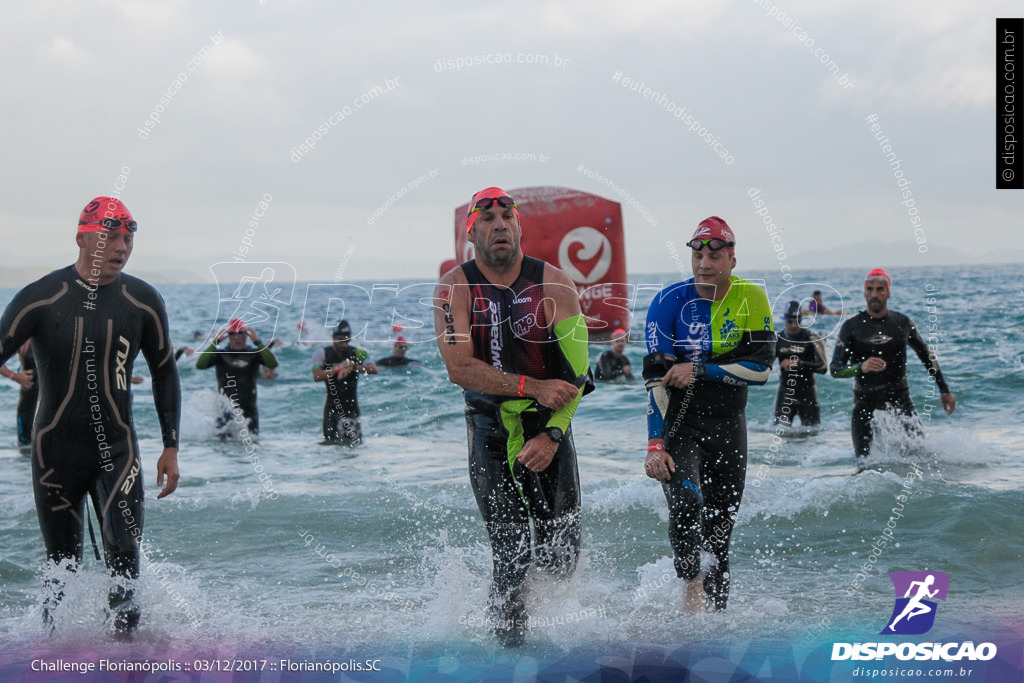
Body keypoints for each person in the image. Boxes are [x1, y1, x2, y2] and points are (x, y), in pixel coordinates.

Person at [0, 196, 180, 638]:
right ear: (82, 237)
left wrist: (170, 446)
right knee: (61, 568)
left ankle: (128, 657)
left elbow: (164, 371)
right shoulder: (41, 297)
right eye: (110, 237)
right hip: (55, 453)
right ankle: (51, 655)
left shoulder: (142, 300)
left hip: (118, 452)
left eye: (128, 238)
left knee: (125, 561)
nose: (121, 247)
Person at [433, 187, 593, 646]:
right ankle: (508, 654)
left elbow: (577, 373)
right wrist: (532, 386)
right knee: (511, 554)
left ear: (519, 226)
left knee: (562, 557)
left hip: (550, 429)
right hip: (488, 432)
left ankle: (545, 632)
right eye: (487, 219)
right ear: (472, 233)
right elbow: (458, 368)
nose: (498, 224)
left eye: (506, 216)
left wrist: (554, 434)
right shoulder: (453, 289)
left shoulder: (556, 284)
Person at [643, 216, 775, 613]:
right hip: (680, 425)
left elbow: (763, 370)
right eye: (697, 254)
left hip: (729, 426)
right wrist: (655, 443)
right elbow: (655, 380)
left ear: (732, 259)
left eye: (714, 255)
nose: (704, 263)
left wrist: (699, 369)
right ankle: (690, 594)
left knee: (720, 532)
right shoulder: (668, 301)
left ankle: (717, 624)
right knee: (685, 504)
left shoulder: (752, 297)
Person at [830, 269, 955, 458]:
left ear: (888, 292)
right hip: (865, 404)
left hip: (900, 400)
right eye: (870, 289)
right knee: (864, 466)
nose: (874, 294)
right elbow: (835, 370)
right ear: (864, 292)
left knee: (920, 458)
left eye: (880, 289)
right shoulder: (851, 327)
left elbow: (926, 355)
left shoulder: (901, 323)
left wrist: (944, 390)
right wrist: (860, 367)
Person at [195, 318, 278, 435]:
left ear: (247, 335)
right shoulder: (221, 354)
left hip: (249, 410)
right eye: (232, 334)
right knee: (223, 447)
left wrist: (258, 342)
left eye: (240, 333)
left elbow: (272, 364)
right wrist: (216, 341)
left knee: (253, 445)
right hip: (225, 409)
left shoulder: (254, 354)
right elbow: (200, 365)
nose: (236, 337)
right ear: (227, 336)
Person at [312, 320, 377, 445]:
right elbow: (317, 376)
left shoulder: (358, 353)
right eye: (341, 340)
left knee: (355, 444)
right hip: (332, 409)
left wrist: (353, 367)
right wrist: (338, 368)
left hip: (351, 408)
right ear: (333, 337)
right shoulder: (322, 354)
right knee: (329, 444)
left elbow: (373, 369)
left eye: (348, 340)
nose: (345, 344)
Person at [774, 302, 827, 427]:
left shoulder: (812, 338)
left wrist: (799, 363)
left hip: (807, 394)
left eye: (797, 321)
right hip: (785, 394)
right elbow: (765, 364)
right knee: (780, 434)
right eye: (790, 321)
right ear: (784, 320)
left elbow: (823, 367)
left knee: (812, 435)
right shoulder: (777, 339)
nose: (794, 325)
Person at [0, 340, 37, 445]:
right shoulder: (24, 339)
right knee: (25, 447)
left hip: (51, 405)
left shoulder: (56, 334)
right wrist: (13, 376)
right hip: (28, 407)